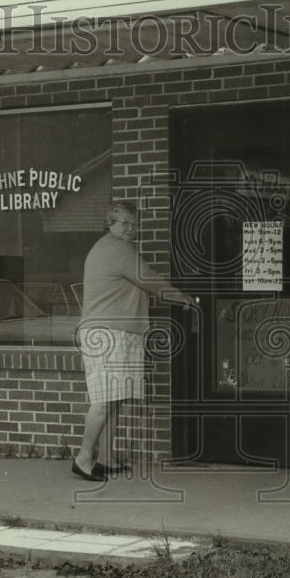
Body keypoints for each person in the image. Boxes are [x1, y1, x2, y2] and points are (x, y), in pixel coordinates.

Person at [72, 200, 196, 481]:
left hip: (115, 332)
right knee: (103, 401)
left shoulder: (111, 247)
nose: (131, 228)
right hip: (106, 334)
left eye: (134, 224)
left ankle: (106, 458)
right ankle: (82, 459)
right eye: (124, 223)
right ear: (110, 224)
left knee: (113, 400)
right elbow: (148, 279)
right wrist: (181, 297)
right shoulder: (117, 249)